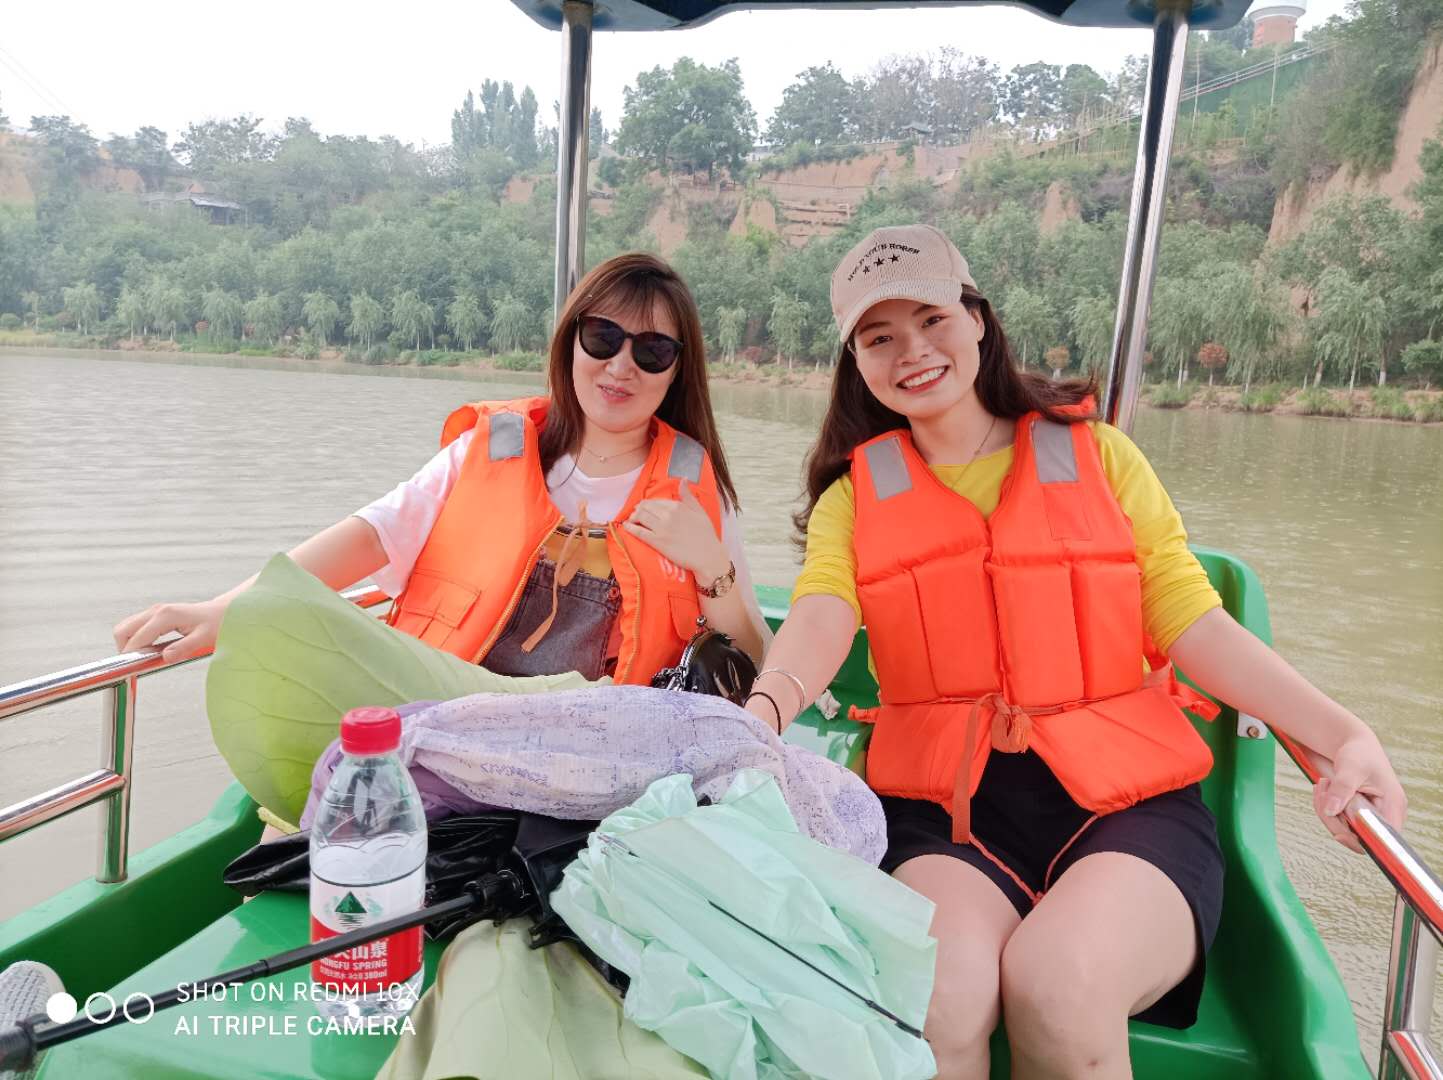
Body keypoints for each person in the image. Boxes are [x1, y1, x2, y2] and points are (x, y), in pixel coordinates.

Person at [742, 225, 1406, 1079]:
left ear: (977, 320)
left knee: (1057, 985)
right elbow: (821, 615)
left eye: (932, 320)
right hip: (946, 814)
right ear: (855, 362)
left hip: (1128, 810)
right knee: (936, 995)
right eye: (878, 338)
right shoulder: (854, 497)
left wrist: (1342, 734)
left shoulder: (1097, 454)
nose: (911, 352)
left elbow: (1189, 620)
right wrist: (761, 714)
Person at [115, 252, 770, 685]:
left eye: (652, 351)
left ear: (676, 370)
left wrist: (711, 566)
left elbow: (757, 656)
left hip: (596, 762)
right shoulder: (493, 448)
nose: (621, 366)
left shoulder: (694, 487)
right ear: (570, 340)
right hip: (449, 722)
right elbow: (370, 535)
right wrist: (227, 609)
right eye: (602, 338)